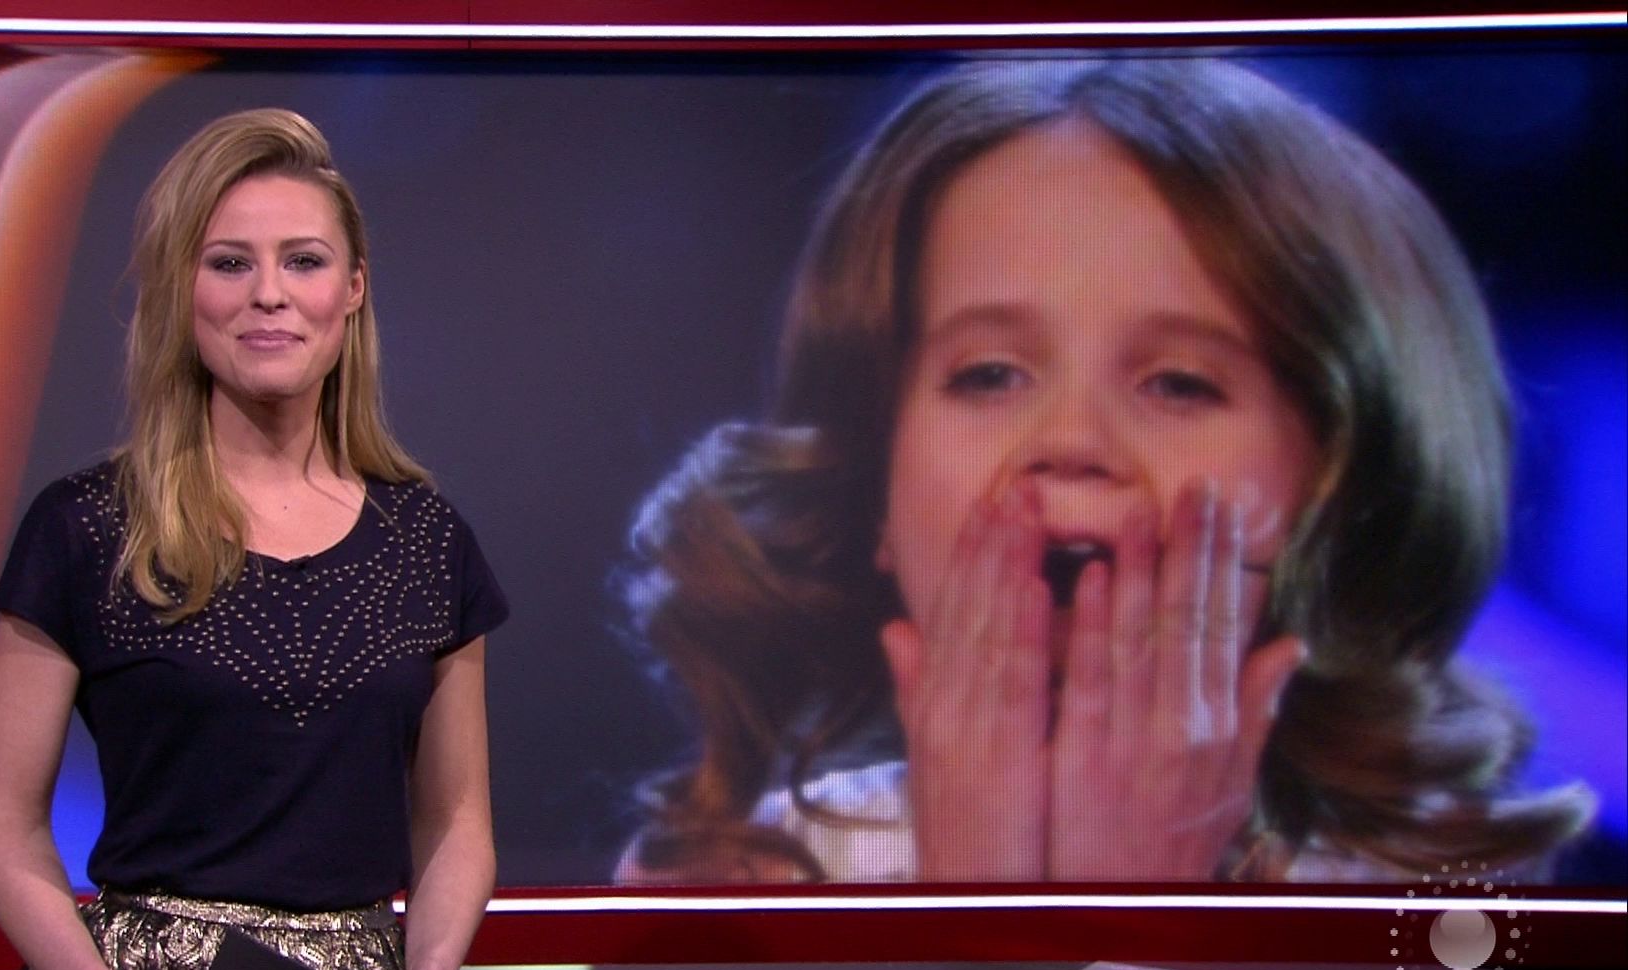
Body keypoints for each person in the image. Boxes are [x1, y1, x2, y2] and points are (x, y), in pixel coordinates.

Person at [616, 59, 1595, 884]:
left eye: (1178, 383)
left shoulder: (1452, 904)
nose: (1072, 440)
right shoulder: (734, 883)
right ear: (873, 482)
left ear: (1340, 480)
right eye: (988, 374)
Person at [0, 108, 504, 970]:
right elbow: (4, 821)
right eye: (228, 263)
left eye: (303, 261)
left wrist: (432, 967)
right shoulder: (86, 527)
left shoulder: (428, 540)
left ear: (353, 289)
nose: (269, 295)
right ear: (185, 290)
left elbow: (455, 822)